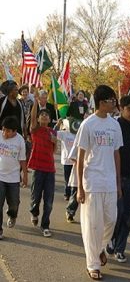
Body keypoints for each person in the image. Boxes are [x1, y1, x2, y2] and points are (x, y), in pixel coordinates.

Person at [76, 85, 123, 281]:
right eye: (112, 100)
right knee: (92, 225)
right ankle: (93, 264)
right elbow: (80, 157)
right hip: (92, 182)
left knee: (111, 220)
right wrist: (79, 187)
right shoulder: (88, 124)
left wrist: (118, 183)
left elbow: (116, 154)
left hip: (110, 183)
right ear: (102, 102)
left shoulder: (115, 125)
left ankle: (101, 248)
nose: (114, 103)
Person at [107, 95, 130, 263]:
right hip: (113, 175)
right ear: (121, 109)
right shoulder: (113, 125)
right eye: (128, 109)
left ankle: (120, 248)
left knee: (127, 215)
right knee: (117, 214)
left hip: (129, 176)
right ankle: (111, 239)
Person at [28, 90, 57, 237]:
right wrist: (35, 102)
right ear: (39, 119)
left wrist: (54, 141)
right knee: (35, 197)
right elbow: (32, 117)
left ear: (50, 119)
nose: (44, 116)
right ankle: (34, 212)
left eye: (46, 115)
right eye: (42, 115)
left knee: (49, 200)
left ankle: (45, 225)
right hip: (38, 169)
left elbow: (54, 151)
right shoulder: (35, 129)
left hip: (50, 169)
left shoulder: (53, 132)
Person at [0, 116, 28, 240]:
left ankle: (12, 215)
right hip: (0, 176)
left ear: (14, 131)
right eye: (3, 129)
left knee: (14, 203)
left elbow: (22, 160)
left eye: (7, 131)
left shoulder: (20, 140)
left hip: (13, 178)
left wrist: (25, 175)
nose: (4, 133)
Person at [55, 119, 76, 202]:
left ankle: (73, 194)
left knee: (75, 179)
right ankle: (67, 194)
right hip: (66, 161)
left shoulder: (78, 133)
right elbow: (53, 133)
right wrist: (57, 124)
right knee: (67, 179)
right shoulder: (64, 134)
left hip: (75, 161)